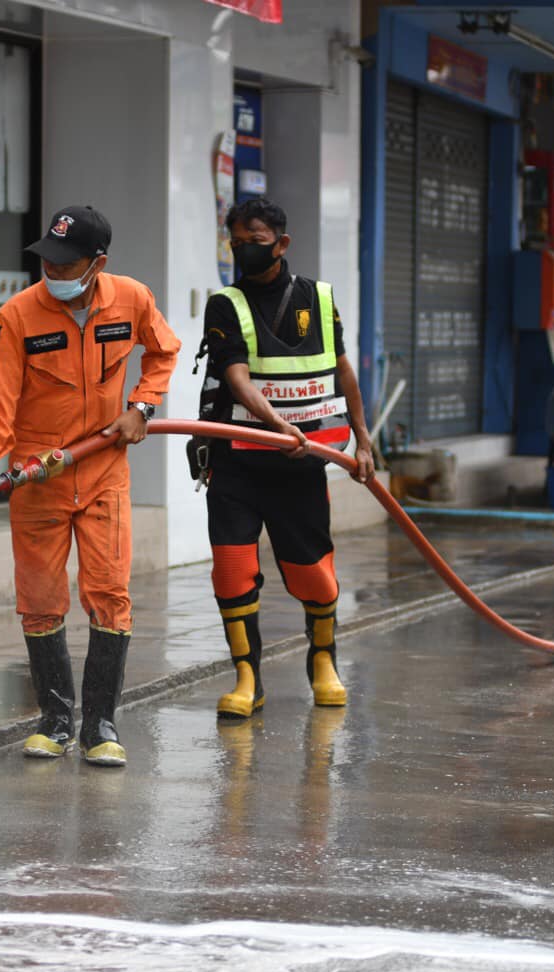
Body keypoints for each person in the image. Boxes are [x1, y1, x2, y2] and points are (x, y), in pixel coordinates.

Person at [0, 206, 181, 765]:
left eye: (66, 264)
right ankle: (54, 722)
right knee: (40, 601)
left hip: (103, 472)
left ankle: (100, 726)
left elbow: (164, 351)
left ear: (98, 264)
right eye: (47, 259)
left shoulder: (132, 299)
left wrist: (141, 406)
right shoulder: (17, 316)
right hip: (38, 478)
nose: (53, 271)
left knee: (109, 595)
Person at [194, 197, 374, 721]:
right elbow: (235, 377)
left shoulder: (319, 298)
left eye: (255, 240)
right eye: (237, 242)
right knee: (233, 571)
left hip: (302, 466)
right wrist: (276, 425)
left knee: (314, 575)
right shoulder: (224, 304)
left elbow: (343, 371)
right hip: (237, 464)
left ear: (282, 243)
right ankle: (247, 678)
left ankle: (323, 660)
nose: (244, 249)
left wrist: (364, 442)